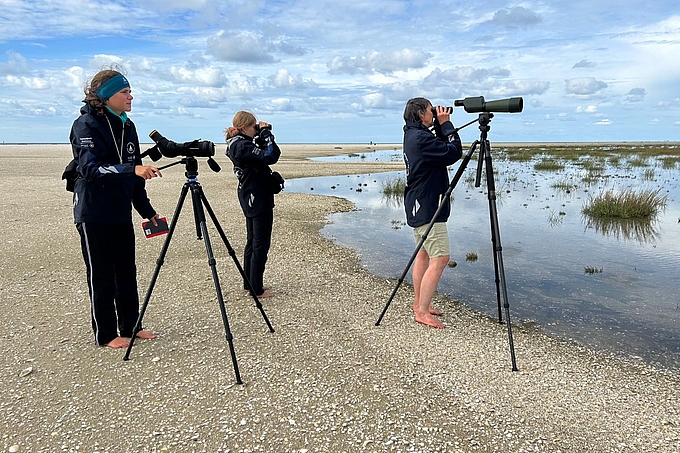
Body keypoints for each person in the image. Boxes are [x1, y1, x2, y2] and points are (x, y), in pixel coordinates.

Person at [70, 68, 162, 348]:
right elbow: (91, 170)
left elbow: (134, 178)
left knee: (126, 271)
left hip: (120, 210)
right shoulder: (85, 124)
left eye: (129, 91)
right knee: (102, 274)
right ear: (108, 96)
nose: (130, 96)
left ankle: (132, 326)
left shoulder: (127, 125)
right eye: (125, 91)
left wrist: (148, 212)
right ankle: (106, 334)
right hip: (93, 211)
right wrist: (132, 169)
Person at [402, 98, 463, 329]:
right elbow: (453, 152)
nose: (434, 112)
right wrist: (446, 124)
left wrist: (438, 125)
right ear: (420, 115)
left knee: (424, 254)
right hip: (427, 206)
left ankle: (419, 304)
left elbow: (440, 149)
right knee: (441, 257)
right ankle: (423, 311)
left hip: (419, 203)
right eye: (431, 110)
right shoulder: (420, 138)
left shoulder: (413, 135)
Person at [224, 111, 282, 299]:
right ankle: (256, 288)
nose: (255, 128)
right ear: (244, 128)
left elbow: (262, 155)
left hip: (250, 195)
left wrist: (258, 134)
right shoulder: (242, 146)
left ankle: (250, 283)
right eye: (253, 126)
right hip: (257, 197)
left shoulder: (237, 144)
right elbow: (271, 155)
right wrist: (265, 134)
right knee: (260, 243)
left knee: (252, 241)